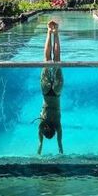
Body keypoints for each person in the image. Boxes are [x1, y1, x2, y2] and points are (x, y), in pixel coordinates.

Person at [37, 21, 63, 155]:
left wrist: (60, 153)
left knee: (57, 60)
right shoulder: (41, 123)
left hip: (57, 92)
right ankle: (49, 31)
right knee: (47, 59)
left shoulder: (57, 126)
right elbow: (40, 142)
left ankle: (55, 32)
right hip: (46, 93)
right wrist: (39, 148)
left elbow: (60, 144)